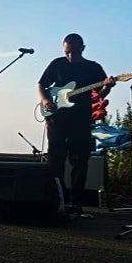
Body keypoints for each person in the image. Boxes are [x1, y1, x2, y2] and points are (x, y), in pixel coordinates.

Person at [37, 33, 115, 215]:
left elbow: (99, 96)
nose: (70, 56)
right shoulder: (57, 64)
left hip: (81, 119)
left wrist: (107, 86)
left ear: (83, 48)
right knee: (56, 160)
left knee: (80, 160)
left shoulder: (93, 68)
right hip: (56, 119)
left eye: (74, 52)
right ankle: (58, 200)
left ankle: (76, 202)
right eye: (67, 52)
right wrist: (46, 101)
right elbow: (41, 84)